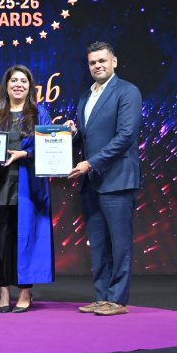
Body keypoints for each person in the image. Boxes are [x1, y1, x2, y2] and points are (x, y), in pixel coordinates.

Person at [0, 65, 54, 313]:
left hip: (29, 187)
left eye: (23, 81)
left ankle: (25, 292)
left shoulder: (39, 113)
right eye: (13, 80)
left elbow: (49, 147)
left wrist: (24, 154)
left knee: (26, 238)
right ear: (5, 86)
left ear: (30, 86)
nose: (18, 84)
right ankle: (4, 291)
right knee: (1, 239)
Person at [66, 42, 142, 316]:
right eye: (92, 62)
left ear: (114, 62)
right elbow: (87, 139)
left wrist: (91, 163)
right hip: (92, 183)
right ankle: (102, 296)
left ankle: (118, 300)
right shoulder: (86, 96)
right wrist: (71, 134)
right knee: (98, 245)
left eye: (102, 61)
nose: (97, 65)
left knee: (119, 244)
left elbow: (125, 136)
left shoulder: (127, 91)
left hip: (117, 180)